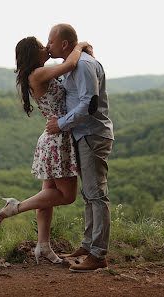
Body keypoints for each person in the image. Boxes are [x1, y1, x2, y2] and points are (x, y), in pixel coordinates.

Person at [0, 36, 92, 264]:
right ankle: (16, 207)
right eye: (41, 46)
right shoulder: (38, 74)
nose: (46, 48)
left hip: (54, 137)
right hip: (58, 140)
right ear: (32, 53)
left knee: (47, 197)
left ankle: (43, 247)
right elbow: (69, 65)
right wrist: (79, 45)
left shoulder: (40, 72)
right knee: (67, 196)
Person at [45, 24, 114, 272]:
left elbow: (90, 104)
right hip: (84, 135)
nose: (47, 46)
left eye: (50, 41)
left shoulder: (84, 65)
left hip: (92, 135)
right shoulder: (75, 64)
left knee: (96, 194)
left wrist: (60, 124)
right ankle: (88, 245)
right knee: (89, 193)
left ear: (64, 44)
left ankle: (98, 254)